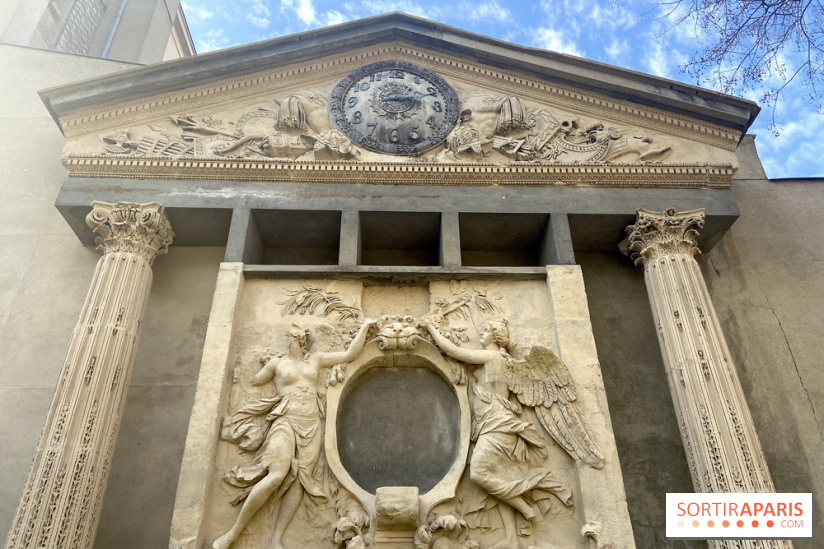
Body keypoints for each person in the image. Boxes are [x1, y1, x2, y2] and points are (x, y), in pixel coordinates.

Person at [213, 319, 377, 549]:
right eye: (292, 335)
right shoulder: (277, 364)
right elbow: (253, 380)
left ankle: (277, 538)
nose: (295, 339)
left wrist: (365, 327)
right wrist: (253, 361)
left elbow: (349, 354)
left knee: (301, 480)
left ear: (303, 340)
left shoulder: (317, 359)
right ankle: (233, 533)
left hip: (311, 422)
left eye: (298, 336)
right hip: (286, 419)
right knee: (277, 473)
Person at [419, 318, 571, 549]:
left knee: (480, 474)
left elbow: (453, 350)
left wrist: (430, 328)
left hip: (498, 426)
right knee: (498, 477)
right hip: (491, 427)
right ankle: (511, 537)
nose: (482, 331)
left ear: (497, 337)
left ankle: (528, 507)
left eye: (487, 329)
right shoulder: (497, 360)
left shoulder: (492, 357)